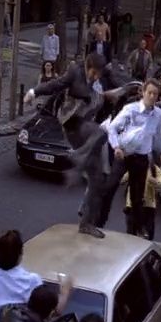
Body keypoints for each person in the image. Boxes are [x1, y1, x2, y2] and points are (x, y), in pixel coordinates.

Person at [23, 53, 124, 238]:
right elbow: (55, 85)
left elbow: (108, 94)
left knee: (97, 179)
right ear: (87, 65)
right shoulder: (74, 72)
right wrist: (33, 92)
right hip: (72, 124)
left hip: (87, 127)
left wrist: (110, 97)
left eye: (98, 75)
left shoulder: (103, 77)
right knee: (101, 133)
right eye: (93, 73)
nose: (95, 78)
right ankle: (78, 158)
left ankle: (86, 224)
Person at [100, 79, 161, 235]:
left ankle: (136, 229)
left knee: (138, 197)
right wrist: (116, 147)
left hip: (141, 158)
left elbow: (158, 136)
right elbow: (113, 128)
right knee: (110, 187)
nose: (152, 96)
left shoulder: (158, 114)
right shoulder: (130, 109)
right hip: (124, 154)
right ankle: (99, 221)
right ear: (143, 93)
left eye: (155, 94)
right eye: (149, 93)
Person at [121, 160, 161, 240]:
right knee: (131, 232)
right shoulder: (134, 166)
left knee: (149, 232)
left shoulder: (154, 169)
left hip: (148, 206)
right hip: (132, 204)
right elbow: (122, 180)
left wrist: (154, 181)